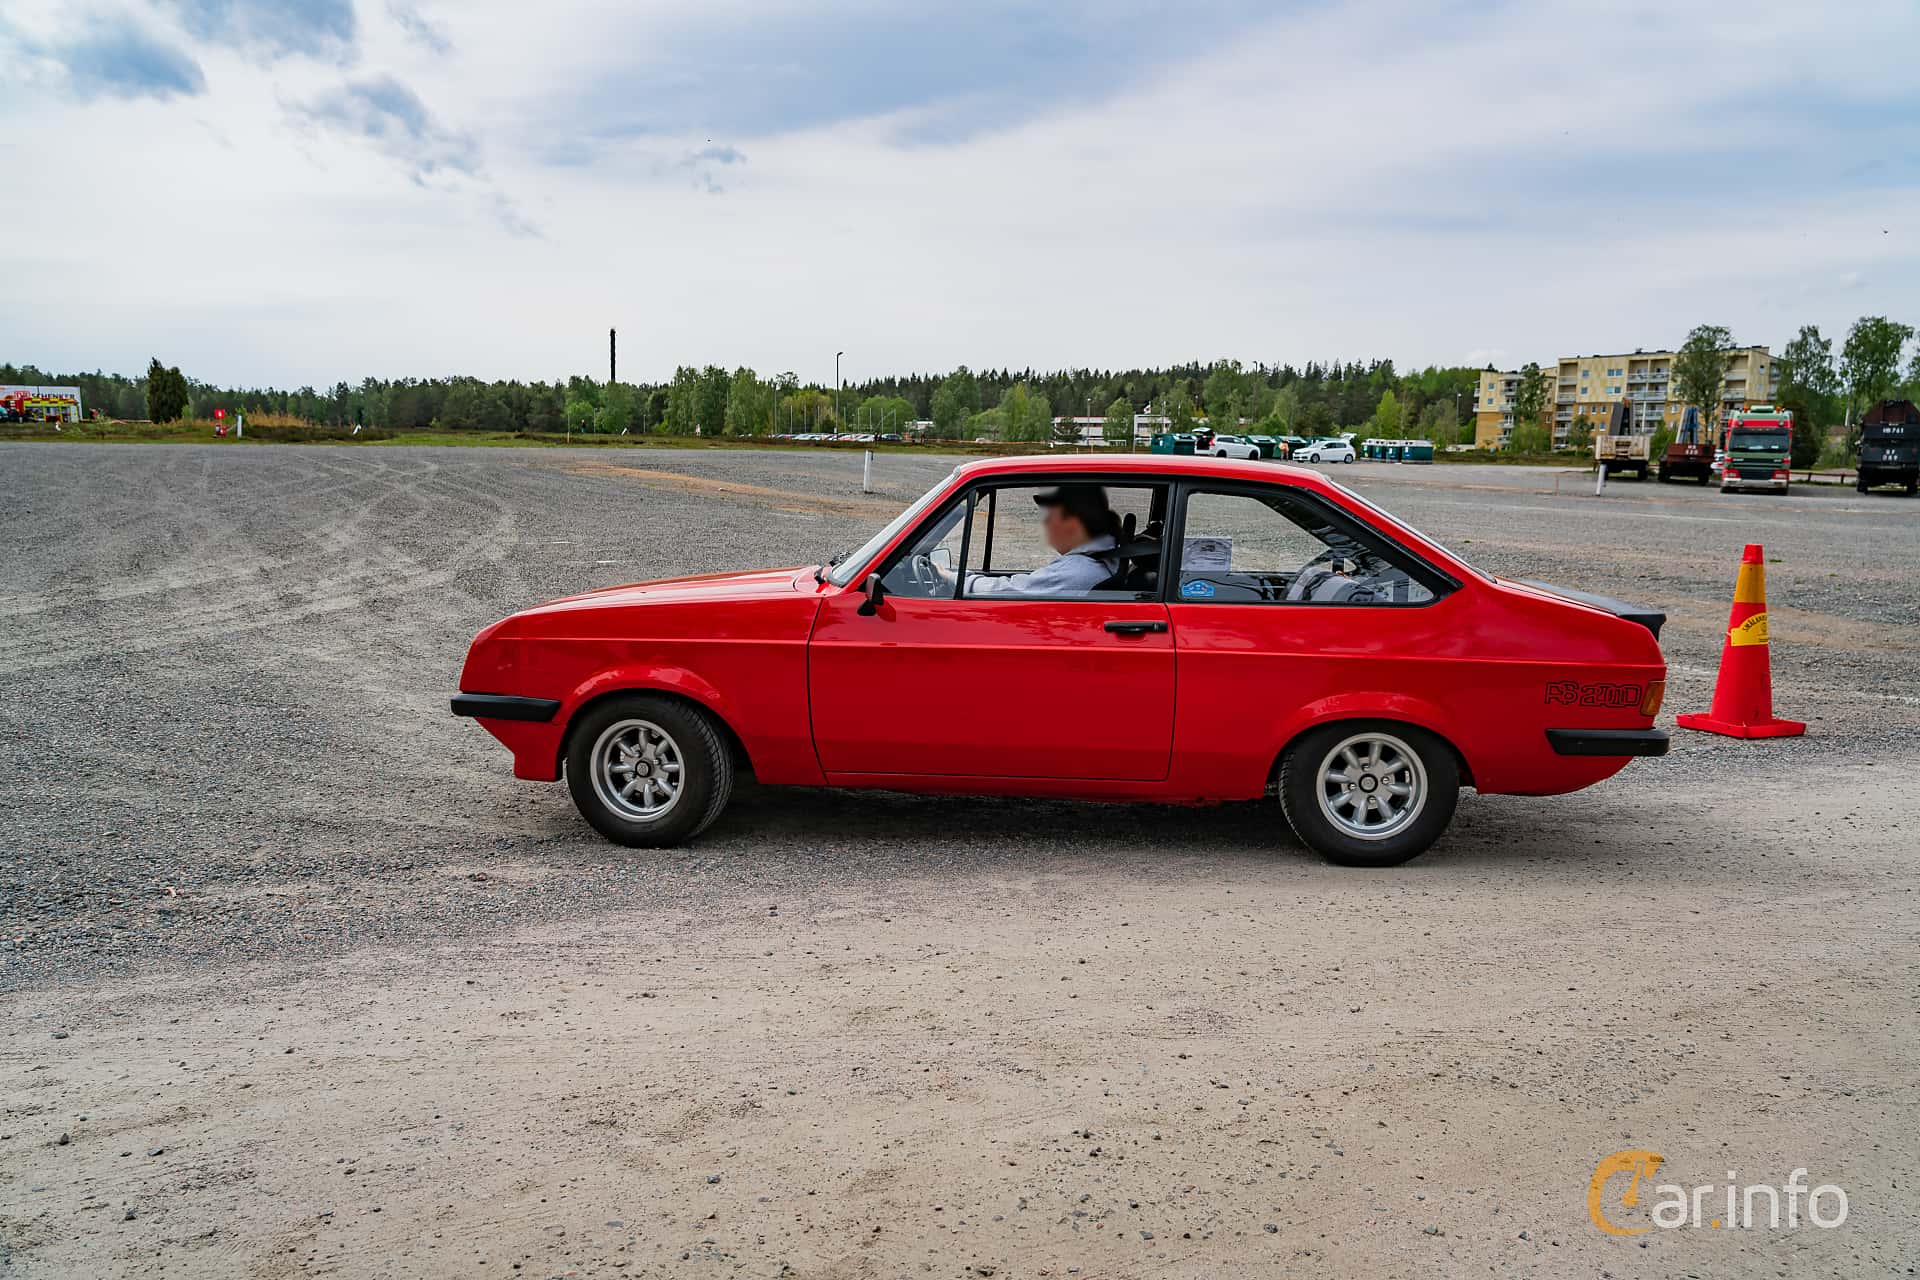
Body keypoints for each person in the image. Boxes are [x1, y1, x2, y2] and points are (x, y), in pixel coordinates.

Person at [956, 484, 1120, 598]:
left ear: (1072, 523)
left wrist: (954, 579)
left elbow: (1010, 591)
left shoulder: (1075, 570)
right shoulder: (1106, 557)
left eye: (1049, 517)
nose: (1045, 523)